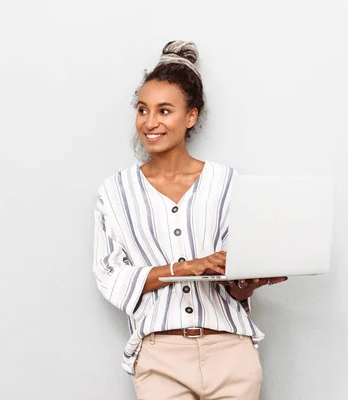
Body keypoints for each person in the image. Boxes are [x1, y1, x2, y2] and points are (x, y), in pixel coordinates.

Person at [92, 40, 287, 400]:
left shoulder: (228, 183)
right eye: (142, 110)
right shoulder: (116, 192)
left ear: (191, 116)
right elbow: (110, 276)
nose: (150, 122)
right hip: (160, 356)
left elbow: (234, 284)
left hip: (231, 351)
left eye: (164, 111)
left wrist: (248, 282)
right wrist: (188, 267)